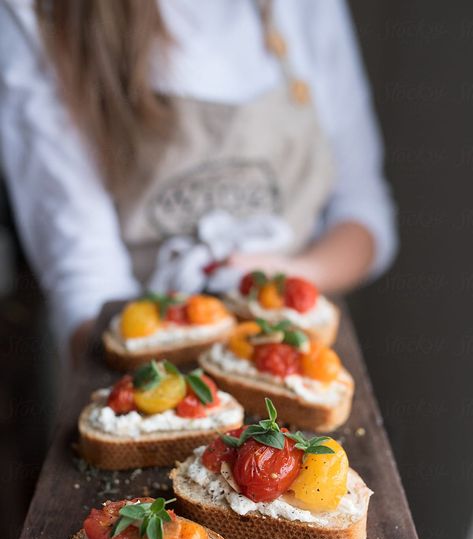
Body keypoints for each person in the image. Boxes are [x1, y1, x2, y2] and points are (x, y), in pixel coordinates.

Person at [0, 0, 397, 363]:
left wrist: (294, 278)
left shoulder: (304, 9)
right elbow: (87, 281)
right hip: (146, 359)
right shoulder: (42, 15)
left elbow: (364, 213)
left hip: (300, 354)